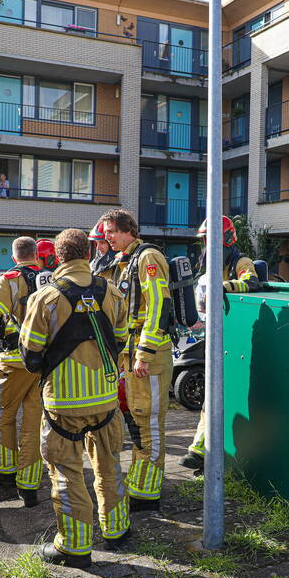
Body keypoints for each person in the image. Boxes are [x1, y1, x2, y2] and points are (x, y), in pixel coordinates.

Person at [19, 228, 129, 568]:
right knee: (109, 464)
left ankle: (75, 547)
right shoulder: (111, 291)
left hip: (63, 405)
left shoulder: (46, 297)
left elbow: (29, 352)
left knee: (66, 473)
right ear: (87, 253)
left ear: (58, 256)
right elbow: (122, 339)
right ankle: (117, 529)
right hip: (107, 401)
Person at [101, 209, 173, 511]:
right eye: (106, 232)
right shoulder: (123, 261)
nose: (108, 237)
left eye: (112, 231)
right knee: (134, 421)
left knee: (149, 422)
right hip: (130, 356)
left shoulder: (147, 258)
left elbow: (159, 306)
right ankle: (140, 486)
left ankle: (148, 494)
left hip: (149, 357)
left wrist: (144, 353)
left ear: (129, 230)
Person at [0, 237, 49, 505]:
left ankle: (4, 471)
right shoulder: (50, 279)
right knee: (33, 422)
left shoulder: (10, 279)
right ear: (37, 255)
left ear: (14, 257)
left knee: (2, 413)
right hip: (43, 363)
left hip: (15, 360)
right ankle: (29, 484)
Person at [179, 216, 260, 471]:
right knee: (212, 397)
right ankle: (199, 450)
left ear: (225, 240)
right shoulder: (213, 268)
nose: (206, 247)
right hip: (219, 337)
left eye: (210, 241)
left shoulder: (241, 262)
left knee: (219, 397)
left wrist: (223, 287)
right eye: (204, 242)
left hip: (237, 340)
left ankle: (202, 452)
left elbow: (251, 282)